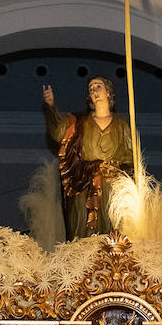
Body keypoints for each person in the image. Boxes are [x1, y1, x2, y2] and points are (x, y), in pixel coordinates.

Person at [43, 77, 134, 239]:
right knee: (84, 232)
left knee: (113, 227)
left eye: (98, 87)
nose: (94, 91)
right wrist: (51, 107)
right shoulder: (79, 123)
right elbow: (59, 131)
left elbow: (130, 159)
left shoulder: (122, 125)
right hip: (84, 183)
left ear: (108, 92)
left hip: (113, 187)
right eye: (91, 89)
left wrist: (116, 171)